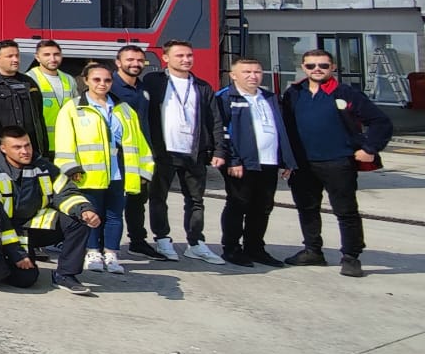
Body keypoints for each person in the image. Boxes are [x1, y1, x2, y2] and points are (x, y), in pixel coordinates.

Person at [280, 48, 392, 278]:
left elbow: (381, 121)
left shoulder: (345, 93)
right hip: (302, 164)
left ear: (332, 68)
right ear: (303, 68)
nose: (317, 69)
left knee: (346, 211)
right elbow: (285, 127)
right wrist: (286, 160)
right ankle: (313, 251)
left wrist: (369, 148)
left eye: (322, 65)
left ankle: (351, 257)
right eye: (311, 66)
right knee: (307, 209)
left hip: (338, 162)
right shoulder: (294, 93)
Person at [52, 61, 153, 275]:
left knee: (115, 215)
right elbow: (64, 142)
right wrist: (71, 168)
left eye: (107, 80)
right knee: (91, 215)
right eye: (96, 79)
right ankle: (92, 252)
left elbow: (139, 142)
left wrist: (145, 170)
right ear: (85, 81)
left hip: (119, 173)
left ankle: (111, 254)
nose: (102, 84)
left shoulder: (124, 109)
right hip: (88, 175)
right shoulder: (73, 108)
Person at [0, 125, 101, 296]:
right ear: (3, 149)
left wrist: (84, 210)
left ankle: (65, 275)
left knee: (78, 221)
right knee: (25, 280)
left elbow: (65, 191)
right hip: (7, 232)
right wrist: (17, 254)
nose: (25, 151)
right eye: (17, 147)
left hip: (34, 226)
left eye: (27, 145)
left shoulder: (43, 166)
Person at [138, 39, 220, 263]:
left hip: (193, 152)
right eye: (180, 56)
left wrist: (219, 150)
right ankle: (163, 240)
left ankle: (195, 243)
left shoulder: (202, 86)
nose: (186, 60)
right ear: (165, 58)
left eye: (189, 56)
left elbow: (215, 120)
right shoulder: (154, 81)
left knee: (195, 200)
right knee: (158, 198)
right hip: (163, 151)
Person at [211, 57, 294, 267]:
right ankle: (231, 249)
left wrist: (287, 160)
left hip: (268, 162)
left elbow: (280, 130)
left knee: (263, 207)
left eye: (257, 71)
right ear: (233, 75)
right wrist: (233, 160)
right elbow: (221, 132)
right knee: (238, 205)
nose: (252, 76)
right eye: (246, 72)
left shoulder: (269, 97)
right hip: (240, 164)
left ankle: (255, 248)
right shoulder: (224, 98)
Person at [106, 45, 162, 259]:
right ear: (118, 62)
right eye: (130, 60)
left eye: (140, 60)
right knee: (112, 203)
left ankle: (137, 241)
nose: (135, 64)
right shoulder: (109, 87)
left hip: (139, 155)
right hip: (114, 155)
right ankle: (104, 244)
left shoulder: (144, 88)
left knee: (138, 201)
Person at [0, 39, 47, 158]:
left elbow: (39, 118)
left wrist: (43, 148)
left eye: (17, 55)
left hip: (30, 151)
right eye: (9, 56)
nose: (15, 60)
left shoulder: (29, 82)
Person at [27, 39, 76, 144]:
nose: (52, 59)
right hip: (41, 143)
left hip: (67, 142)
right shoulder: (29, 79)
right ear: (37, 57)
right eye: (47, 55)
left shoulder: (69, 79)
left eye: (56, 54)